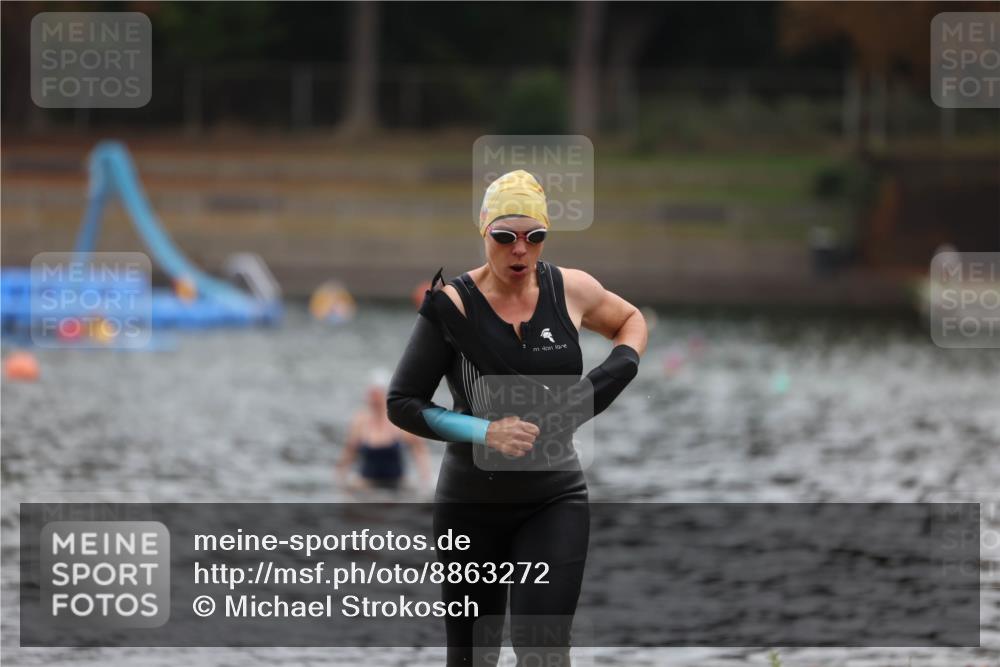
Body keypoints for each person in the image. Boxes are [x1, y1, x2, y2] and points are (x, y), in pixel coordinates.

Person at [387, 169, 647, 666]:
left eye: (534, 237)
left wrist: (607, 379)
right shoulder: (452, 307)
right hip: (470, 506)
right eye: (505, 237)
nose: (520, 251)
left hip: (553, 500)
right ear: (484, 231)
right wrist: (485, 431)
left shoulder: (572, 289)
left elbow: (630, 322)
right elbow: (402, 403)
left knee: (544, 652)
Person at [336, 371, 432, 492]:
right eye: (371, 394)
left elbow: (419, 450)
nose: (373, 399)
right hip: (367, 485)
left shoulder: (399, 420)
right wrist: (340, 478)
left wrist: (425, 478)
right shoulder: (360, 421)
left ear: (386, 395)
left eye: (377, 394)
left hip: (396, 485)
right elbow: (349, 452)